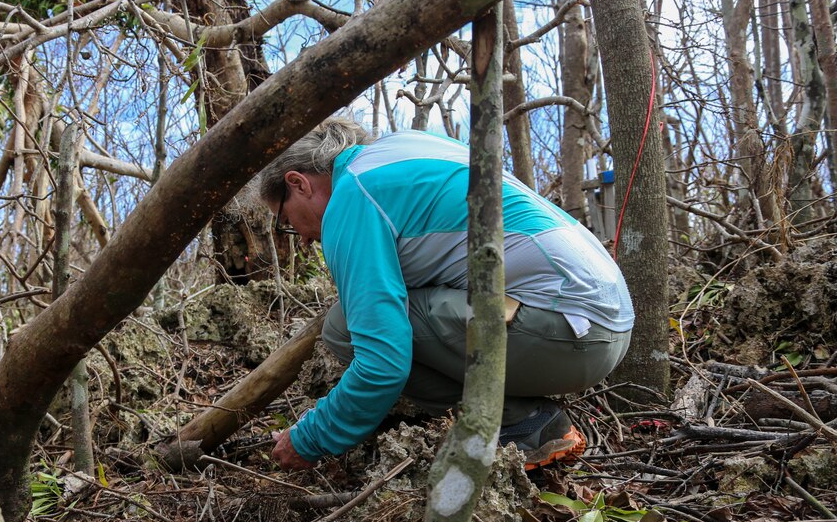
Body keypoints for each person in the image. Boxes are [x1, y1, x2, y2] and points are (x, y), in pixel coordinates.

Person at [259, 117, 634, 471]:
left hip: (568, 337)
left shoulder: (352, 196)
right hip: (609, 328)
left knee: (343, 327)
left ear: (298, 183)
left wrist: (309, 438)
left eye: (287, 222)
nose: (304, 239)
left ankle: (520, 422)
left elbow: (382, 363)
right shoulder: (404, 148)